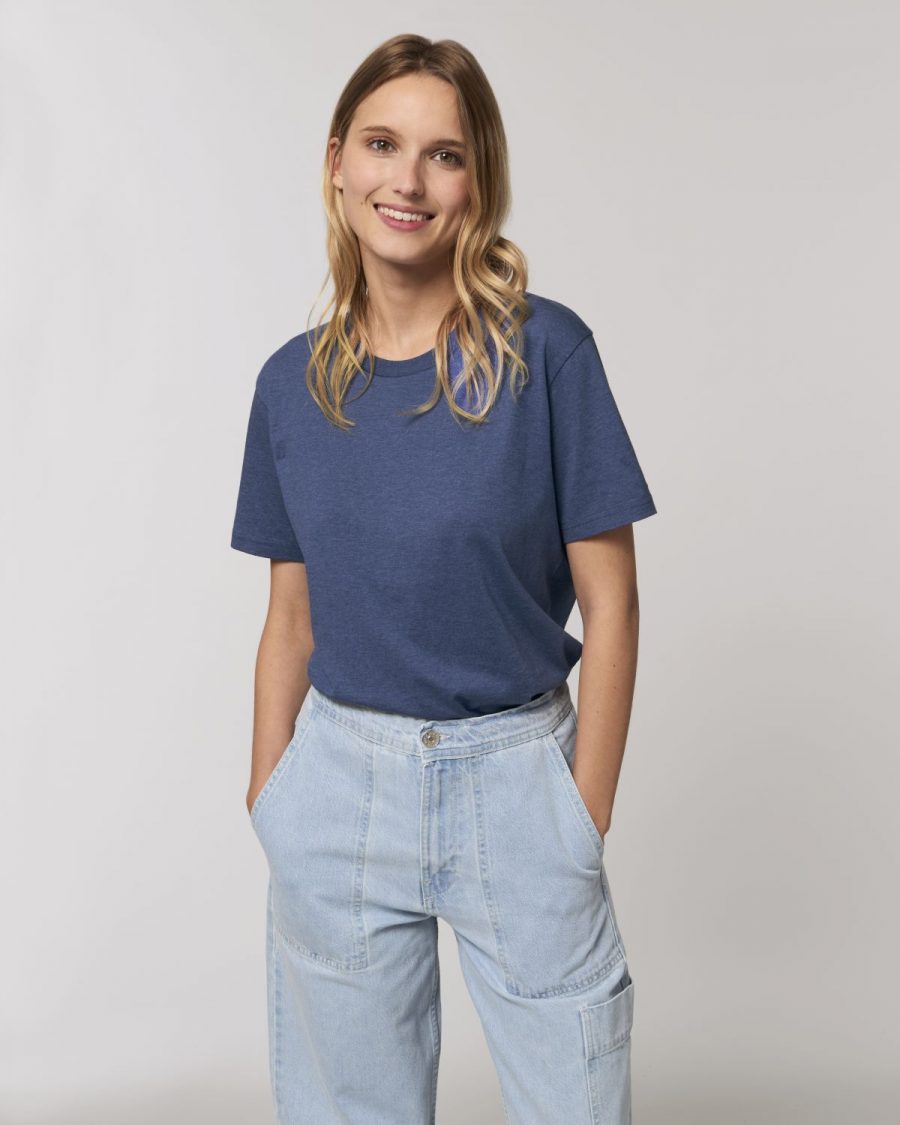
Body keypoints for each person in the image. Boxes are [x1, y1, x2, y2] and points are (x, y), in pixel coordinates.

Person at [231, 33, 657, 1125]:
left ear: (478, 180)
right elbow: (290, 616)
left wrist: (583, 809)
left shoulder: (547, 355)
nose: (408, 181)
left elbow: (612, 602)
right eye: (382, 145)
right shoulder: (290, 387)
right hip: (338, 785)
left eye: (444, 154)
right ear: (337, 161)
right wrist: (272, 794)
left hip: (517, 780)